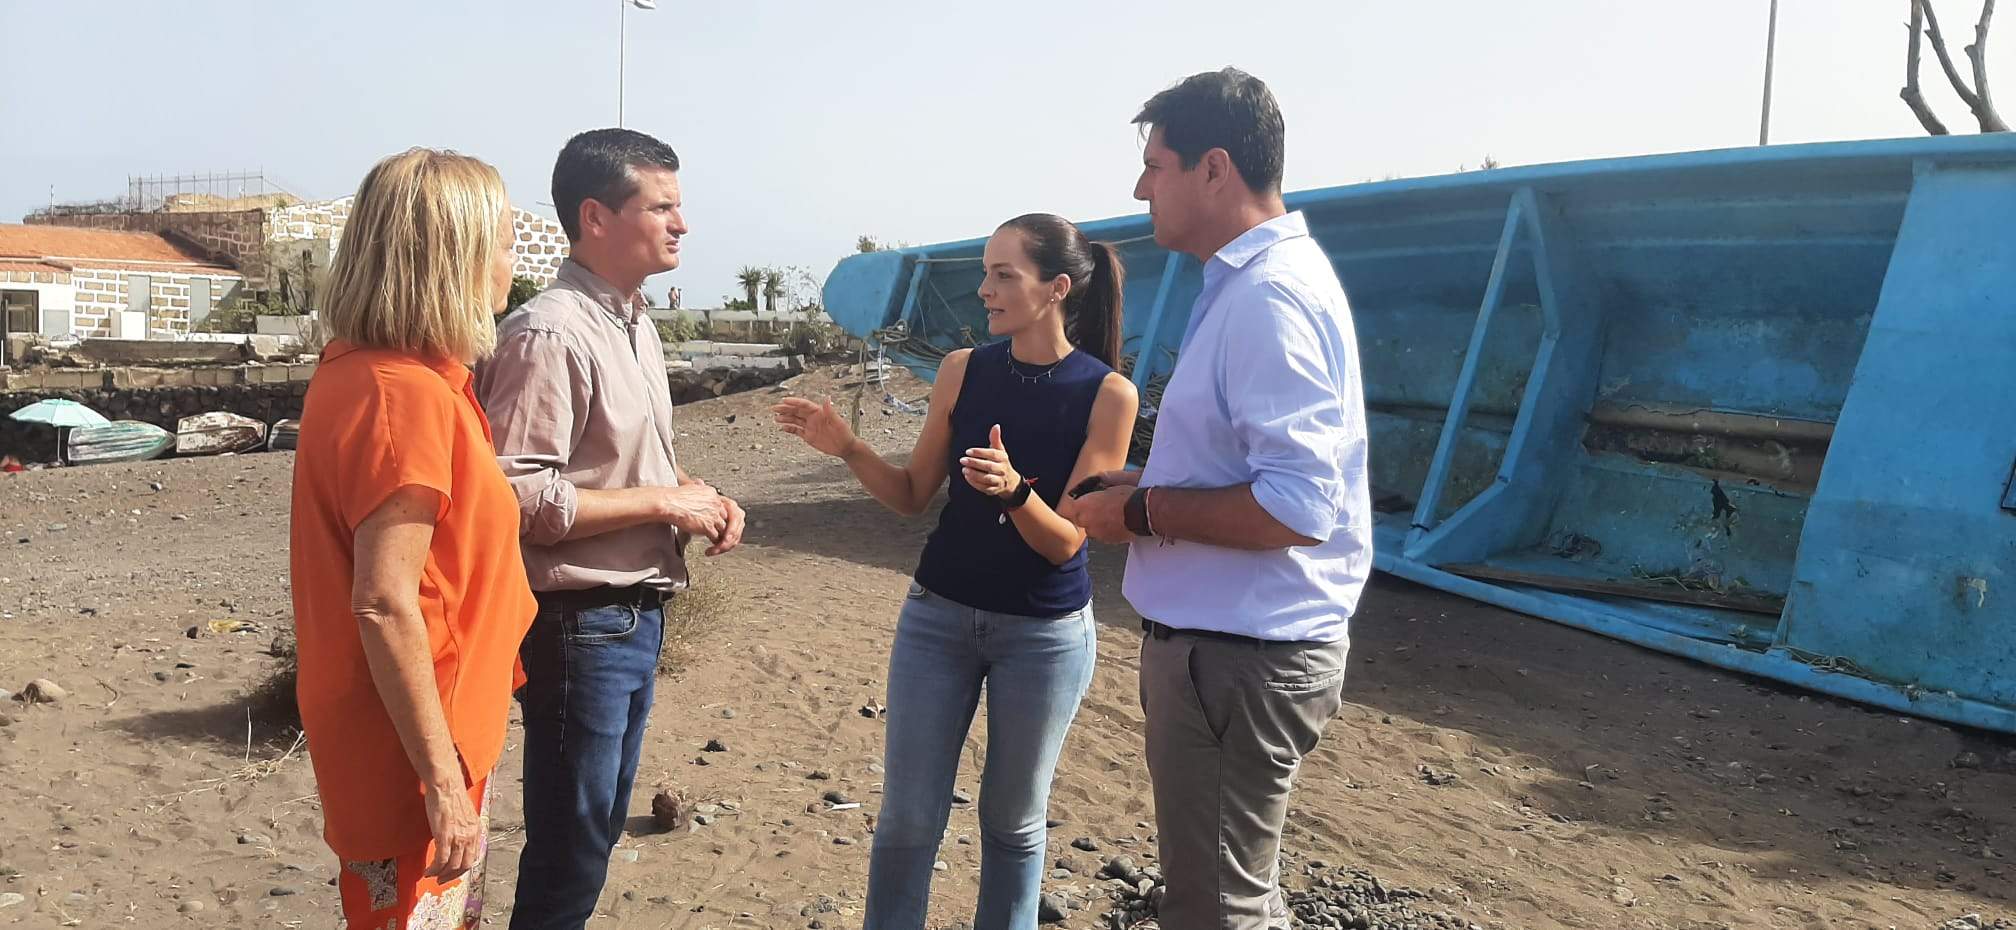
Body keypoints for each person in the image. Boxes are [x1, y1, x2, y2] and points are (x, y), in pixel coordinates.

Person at [1066, 68, 1373, 930]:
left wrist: (1141, 514)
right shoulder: (1247, 282)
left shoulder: (1270, 295)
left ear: (1213, 169)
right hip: (1231, 652)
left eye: (1154, 165)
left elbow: (1296, 507)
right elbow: (1255, 464)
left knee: (1215, 910)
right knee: (1231, 895)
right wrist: (1147, 483)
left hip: (1238, 657)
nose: (1139, 186)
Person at [772, 214, 1139, 929]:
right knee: (907, 821)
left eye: (1005, 275)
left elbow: (1067, 542)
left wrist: (1017, 492)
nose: (984, 290)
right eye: (986, 272)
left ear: (1057, 288)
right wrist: (848, 448)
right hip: (936, 616)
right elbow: (911, 495)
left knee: (1011, 823)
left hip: (1043, 633)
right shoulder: (962, 369)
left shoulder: (1107, 394)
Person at [476, 127, 746, 930]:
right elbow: (516, 495)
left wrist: (697, 496)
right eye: (660, 206)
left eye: (678, 205)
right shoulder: (550, 332)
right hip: (579, 626)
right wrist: (666, 505)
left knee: (586, 843)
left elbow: (612, 472)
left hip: (632, 620)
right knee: (569, 852)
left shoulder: (634, 324)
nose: (681, 224)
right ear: (595, 216)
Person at [288, 147, 536, 930]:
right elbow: (386, 602)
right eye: (502, 242)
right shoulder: (404, 396)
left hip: (419, 733)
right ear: (453, 259)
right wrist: (440, 784)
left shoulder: (371, 375)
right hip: (416, 755)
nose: (512, 263)